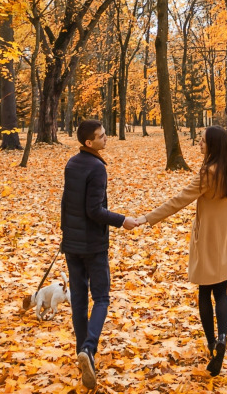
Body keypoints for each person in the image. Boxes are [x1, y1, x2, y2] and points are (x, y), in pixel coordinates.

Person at [139, 125, 227, 376]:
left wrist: (147, 218)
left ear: (214, 146)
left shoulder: (208, 173)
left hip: (208, 238)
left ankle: (211, 344)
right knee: (222, 292)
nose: (199, 144)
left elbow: (178, 201)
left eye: (204, 142)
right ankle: (223, 337)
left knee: (205, 292)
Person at [61, 118, 142, 390]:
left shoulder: (72, 164)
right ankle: (88, 346)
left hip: (72, 244)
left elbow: (66, 204)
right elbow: (93, 211)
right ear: (89, 143)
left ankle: (85, 356)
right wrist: (122, 220)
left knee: (79, 301)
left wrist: (65, 238)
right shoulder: (96, 168)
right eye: (101, 135)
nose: (106, 138)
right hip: (92, 245)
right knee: (102, 298)